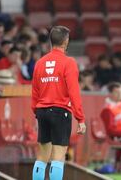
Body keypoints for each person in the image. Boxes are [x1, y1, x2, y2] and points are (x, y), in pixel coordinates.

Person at [31, 26, 86, 180]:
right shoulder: (68, 62)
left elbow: (34, 91)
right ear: (66, 41)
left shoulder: (40, 63)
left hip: (41, 111)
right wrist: (80, 118)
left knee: (42, 156)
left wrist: (36, 111)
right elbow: (74, 92)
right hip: (60, 112)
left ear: (51, 41)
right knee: (58, 157)